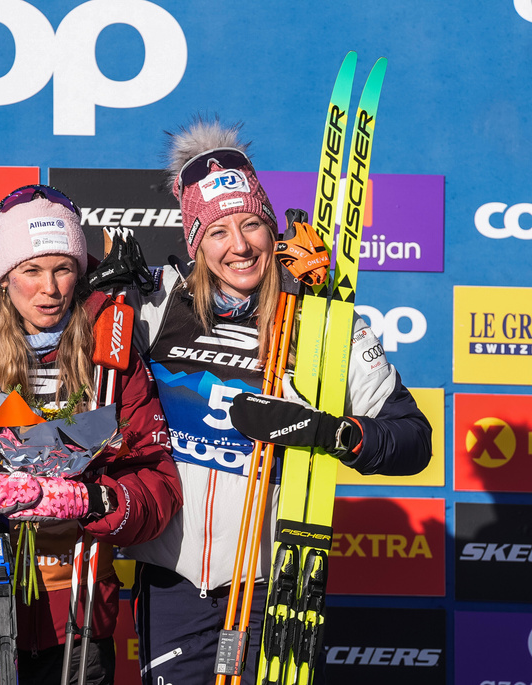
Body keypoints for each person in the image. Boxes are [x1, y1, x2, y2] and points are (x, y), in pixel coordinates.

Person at [110, 120, 434, 683]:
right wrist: (98, 291)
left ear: (271, 229)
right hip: (173, 585)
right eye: (218, 232)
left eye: (252, 224)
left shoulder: (320, 323)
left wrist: (332, 433)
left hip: (270, 587)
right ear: (196, 241)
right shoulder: (156, 306)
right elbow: (46, 316)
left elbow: (413, 437)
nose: (239, 246)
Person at [0, 185, 183, 685]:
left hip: (76, 621)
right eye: (31, 271)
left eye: (62, 269)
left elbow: (158, 485)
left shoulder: (111, 360)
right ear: (4, 277)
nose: (49, 289)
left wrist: (95, 501)